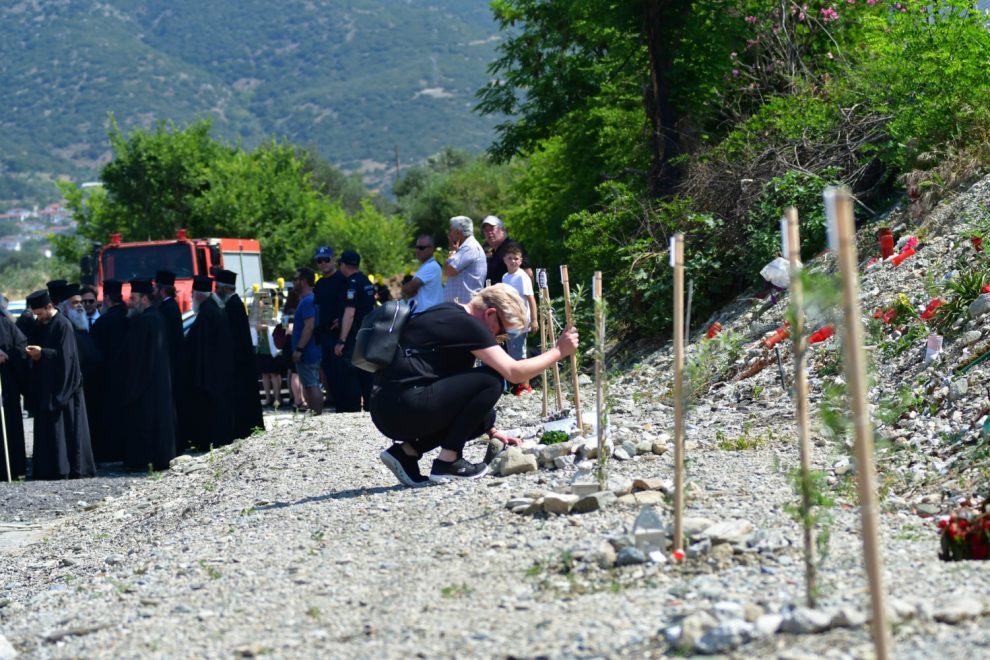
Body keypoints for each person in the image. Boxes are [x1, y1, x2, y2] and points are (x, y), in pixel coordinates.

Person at [372, 283, 579, 486]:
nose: (499, 339)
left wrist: (490, 429)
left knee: (485, 418)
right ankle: (448, 462)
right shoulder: (470, 325)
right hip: (404, 407)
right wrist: (559, 351)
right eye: (502, 332)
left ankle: (406, 453)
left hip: (389, 406)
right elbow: (515, 373)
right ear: (490, 314)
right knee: (492, 379)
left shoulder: (447, 311)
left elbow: (458, 387)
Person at [24, 290, 96, 479]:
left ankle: (67, 469)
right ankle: (48, 469)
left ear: (49, 307)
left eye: (39, 313)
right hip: (46, 385)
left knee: (66, 430)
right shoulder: (42, 324)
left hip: (64, 388)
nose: (37, 317)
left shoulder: (63, 325)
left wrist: (42, 353)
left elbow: (67, 358)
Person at [119, 280, 176, 471]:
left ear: (144, 299)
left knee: (145, 425)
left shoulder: (145, 321)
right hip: (158, 384)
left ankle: (143, 461)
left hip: (145, 386)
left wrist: (129, 386)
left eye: (133, 298)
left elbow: (136, 359)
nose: (130, 302)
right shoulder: (157, 317)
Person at [179, 276, 234, 450]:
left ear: (198, 295)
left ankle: (209, 441)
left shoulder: (207, 313)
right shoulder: (212, 310)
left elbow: (197, 346)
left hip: (209, 374)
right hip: (217, 372)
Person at [215, 270, 265, 438]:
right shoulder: (234, 304)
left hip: (240, 362)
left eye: (217, 287)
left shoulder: (232, 306)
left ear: (224, 289)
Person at [333, 251, 375, 412]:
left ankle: (352, 412)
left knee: (350, 374)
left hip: (354, 337)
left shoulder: (351, 283)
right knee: (367, 374)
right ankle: (371, 409)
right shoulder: (365, 281)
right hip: (367, 335)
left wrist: (341, 341)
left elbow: (350, 313)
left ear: (343, 265)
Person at [91, 279, 128, 461]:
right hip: (127, 378)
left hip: (106, 378)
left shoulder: (103, 322)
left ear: (106, 298)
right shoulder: (130, 317)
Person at [501, 242, 539, 395]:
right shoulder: (505, 277)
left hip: (520, 321)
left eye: (516, 258)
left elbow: (531, 299)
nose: (513, 261)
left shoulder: (522, 277)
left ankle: (525, 386)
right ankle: (517, 385)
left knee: (520, 354)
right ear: (504, 260)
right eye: (510, 258)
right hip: (508, 320)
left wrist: (534, 319)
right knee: (512, 353)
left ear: (521, 260)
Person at [312, 246, 346, 408]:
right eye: (320, 260)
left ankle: (345, 400)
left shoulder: (342, 279)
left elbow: (351, 305)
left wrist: (342, 320)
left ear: (333, 260)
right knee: (325, 368)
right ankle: (332, 398)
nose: (323, 263)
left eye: (326, 259)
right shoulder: (319, 285)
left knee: (342, 369)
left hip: (340, 333)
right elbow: (317, 308)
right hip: (324, 333)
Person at [0, 305, 28, 480]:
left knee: (9, 426)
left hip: (6, 385)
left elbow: (20, 347)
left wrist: (7, 355)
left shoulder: (5, 323)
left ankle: (12, 467)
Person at [291, 268, 323, 415]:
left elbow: (309, 326)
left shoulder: (307, 301)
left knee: (311, 385)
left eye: (295, 279)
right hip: (310, 350)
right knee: (309, 384)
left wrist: (299, 349)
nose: (293, 282)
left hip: (308, 351)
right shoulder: (308, 299)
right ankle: (314, 413)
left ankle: (316, 416)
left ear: (303, 281)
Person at [442, 215, 486, 304]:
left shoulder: (469, 247)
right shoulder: (465, 248)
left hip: (465, 307)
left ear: (458, 232)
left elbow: (449, 270)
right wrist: (455, 251)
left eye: (451, 231)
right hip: (461, 307)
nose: (449, 234)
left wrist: (452, 253)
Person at [153, 270, 184, 397]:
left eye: (155, 288)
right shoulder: (171, 306)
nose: (153, 291)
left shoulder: (166, 309)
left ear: (162, 290)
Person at [482, 215, 532, 285]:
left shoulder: (512, 247)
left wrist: (524, 295)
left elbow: (528, 274)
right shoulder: (492, 252)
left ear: (502, 229)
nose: (489, 232)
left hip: (509, 295)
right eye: (486, 230)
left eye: (492, 228)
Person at [402, 234, 444, 314]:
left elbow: (408, 289)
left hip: (425, 315)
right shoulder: (427, 266)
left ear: (431, 249)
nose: (418, 250)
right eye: (416, 247)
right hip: (425, 315)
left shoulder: (431, 266)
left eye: (421, 248)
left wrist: (406, 287)